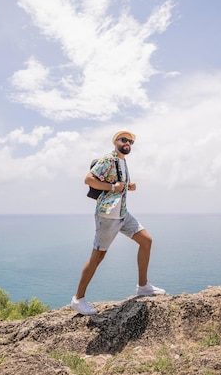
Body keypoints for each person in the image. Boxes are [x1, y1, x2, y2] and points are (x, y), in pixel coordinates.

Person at [71, 129, 166, 315]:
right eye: (124, 140)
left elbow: (118, 186)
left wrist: (128, 187)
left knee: (146, 241)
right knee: (97, 257)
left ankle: (143, 286)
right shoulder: (108, 159)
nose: (128, 143)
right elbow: (88, 179)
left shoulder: (123, 162)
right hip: (107, 217)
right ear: (115, 142)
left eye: (130, 141)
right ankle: (78, 299)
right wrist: (112, 186)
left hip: (122, 214)